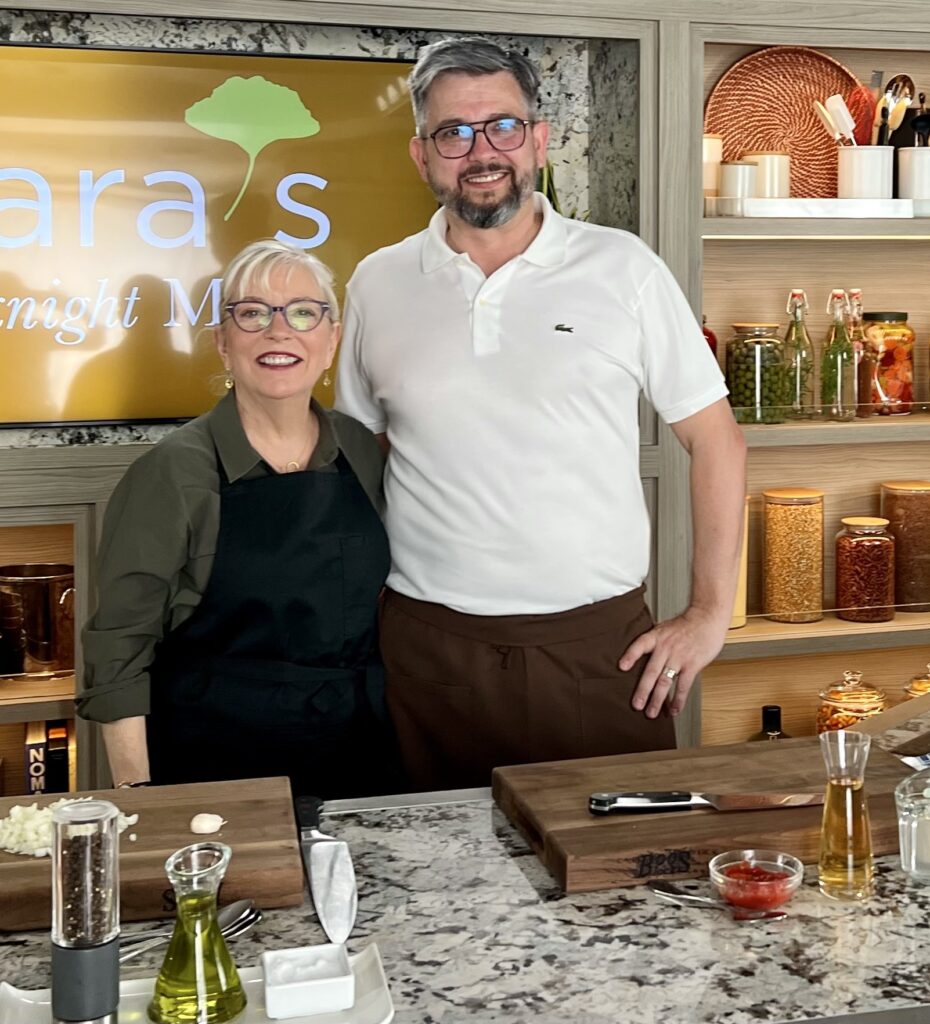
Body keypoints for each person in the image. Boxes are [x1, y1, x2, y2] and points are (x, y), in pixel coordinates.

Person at [335, 38, 747, 791]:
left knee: (620, 893)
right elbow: (364, 454)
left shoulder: (624, 268)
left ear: (539, 139)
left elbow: (715, 440)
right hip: (430, 653)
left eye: (503, 126)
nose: (481, 151)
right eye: (453, 133)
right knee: (433, 892)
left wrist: (709, 613)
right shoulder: (376, 283)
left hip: (601, 651)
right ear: (421, 155)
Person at [79, 239, 399, 799]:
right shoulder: (172, 472)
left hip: (357, 750)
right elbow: (119, 649)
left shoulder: (359, 448)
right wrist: (141, 795)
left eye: (303, 312)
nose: (280, 331)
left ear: (332, 340)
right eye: (252, 313)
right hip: (217, 761)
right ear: (224, 344)